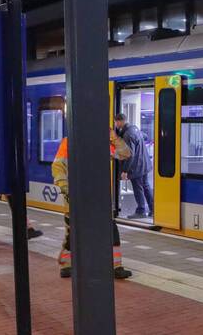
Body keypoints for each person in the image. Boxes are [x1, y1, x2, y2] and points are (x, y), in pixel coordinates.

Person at [52, 129, 131, 279]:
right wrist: (65, 187)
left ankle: (116, 266)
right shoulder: (68, 142)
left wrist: (114, 138)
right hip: (76, 195)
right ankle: (67, 263)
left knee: (110, 229)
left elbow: (125, 153)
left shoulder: (102, 143)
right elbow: (57, 167)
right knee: (74, 233)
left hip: (100, 196)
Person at [114, 113, 154, 218]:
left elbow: (129, 155)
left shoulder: (127, 134)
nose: (115, 124)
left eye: (116, 122)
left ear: (119, 121)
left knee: (138, 188)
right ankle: (153, 209)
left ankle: (141, 210)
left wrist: (125, 171)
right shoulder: (134, 129)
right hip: (145, 163)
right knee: (145, 186)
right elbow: (145, 137)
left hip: (137, 166)